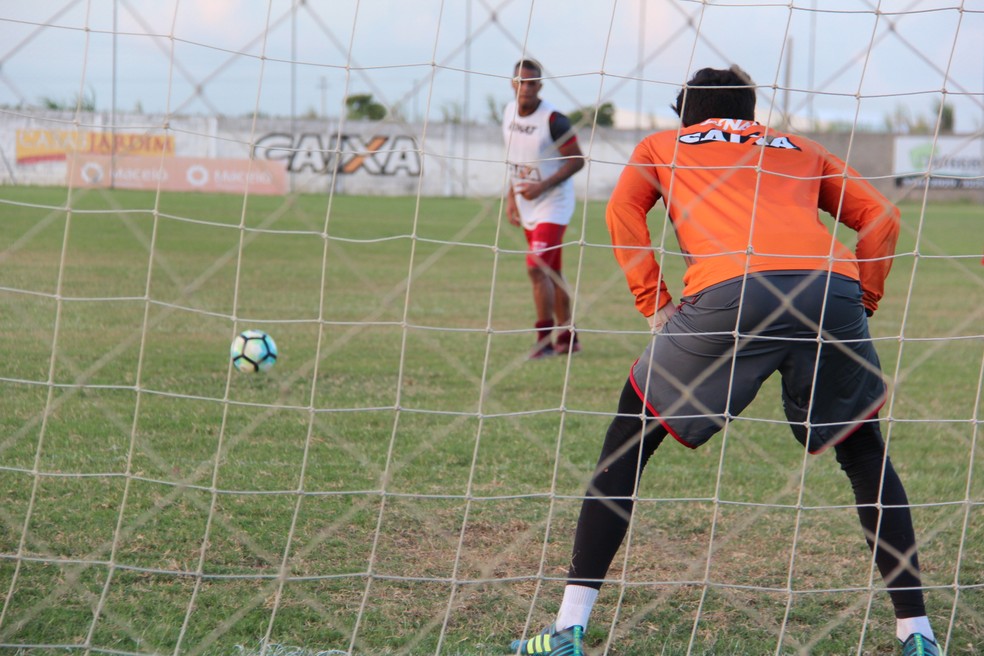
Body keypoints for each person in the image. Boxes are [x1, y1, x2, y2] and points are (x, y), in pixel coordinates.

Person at [509, 66, 938, 656]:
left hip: (733, 286)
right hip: (831, 287)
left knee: (628, 441)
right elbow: (882, 218)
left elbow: (623, 215)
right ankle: (917, 634)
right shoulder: (801, 146)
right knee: (864, 452)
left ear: (687, 113)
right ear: (750, 111)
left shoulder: (664, 144)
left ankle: (566, 629)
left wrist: (653, 301)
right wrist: (862, 298)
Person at [503, 58, 585, 359]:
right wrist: (511, 196)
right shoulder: (508, 112)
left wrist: (543, 187)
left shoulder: (554, 120)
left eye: (532, 83)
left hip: (554, 204)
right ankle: (568, 336)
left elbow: (577, 160)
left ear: (540, 86)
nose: (526, 88)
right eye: (521, 82)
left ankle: (543, 342)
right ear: (513, 83)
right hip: (527, 204)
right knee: (551, 271)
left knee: (537, 269)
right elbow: (514, 160)